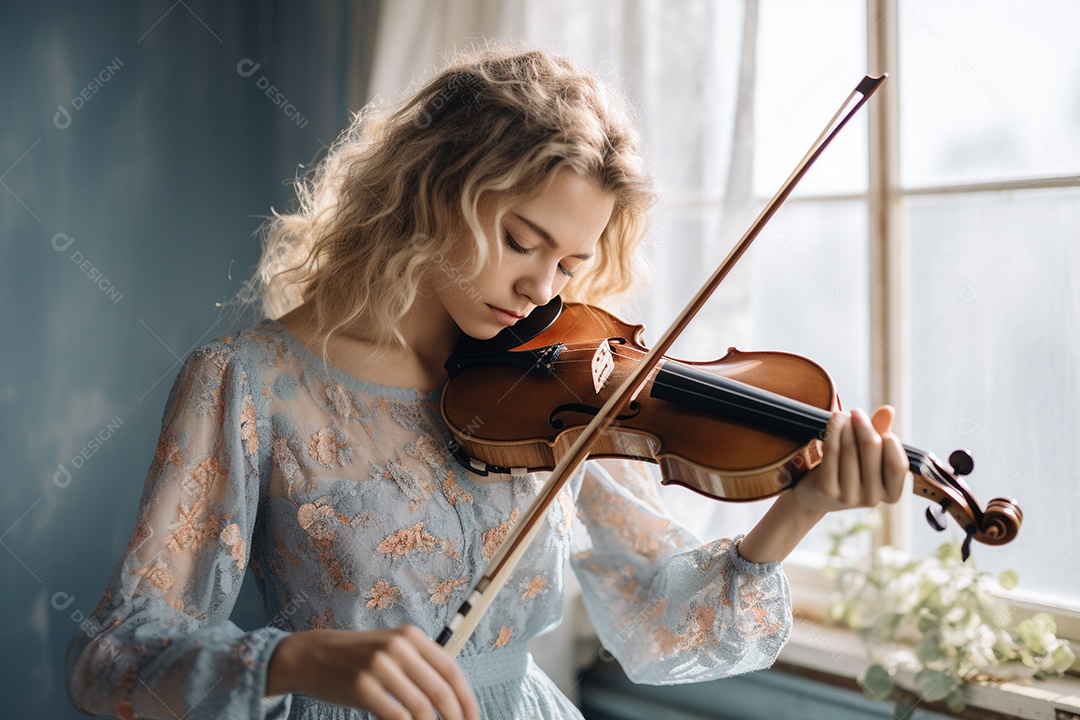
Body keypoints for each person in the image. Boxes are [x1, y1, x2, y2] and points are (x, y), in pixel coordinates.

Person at [65, 45, 907, 720]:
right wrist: (296, 658)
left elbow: (661, 620)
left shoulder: (565, 386)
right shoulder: (250, 379)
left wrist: (798, 507)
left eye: (572, 264)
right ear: (432, 188)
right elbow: (113, 659)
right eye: (520, 240)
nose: (542, 289)